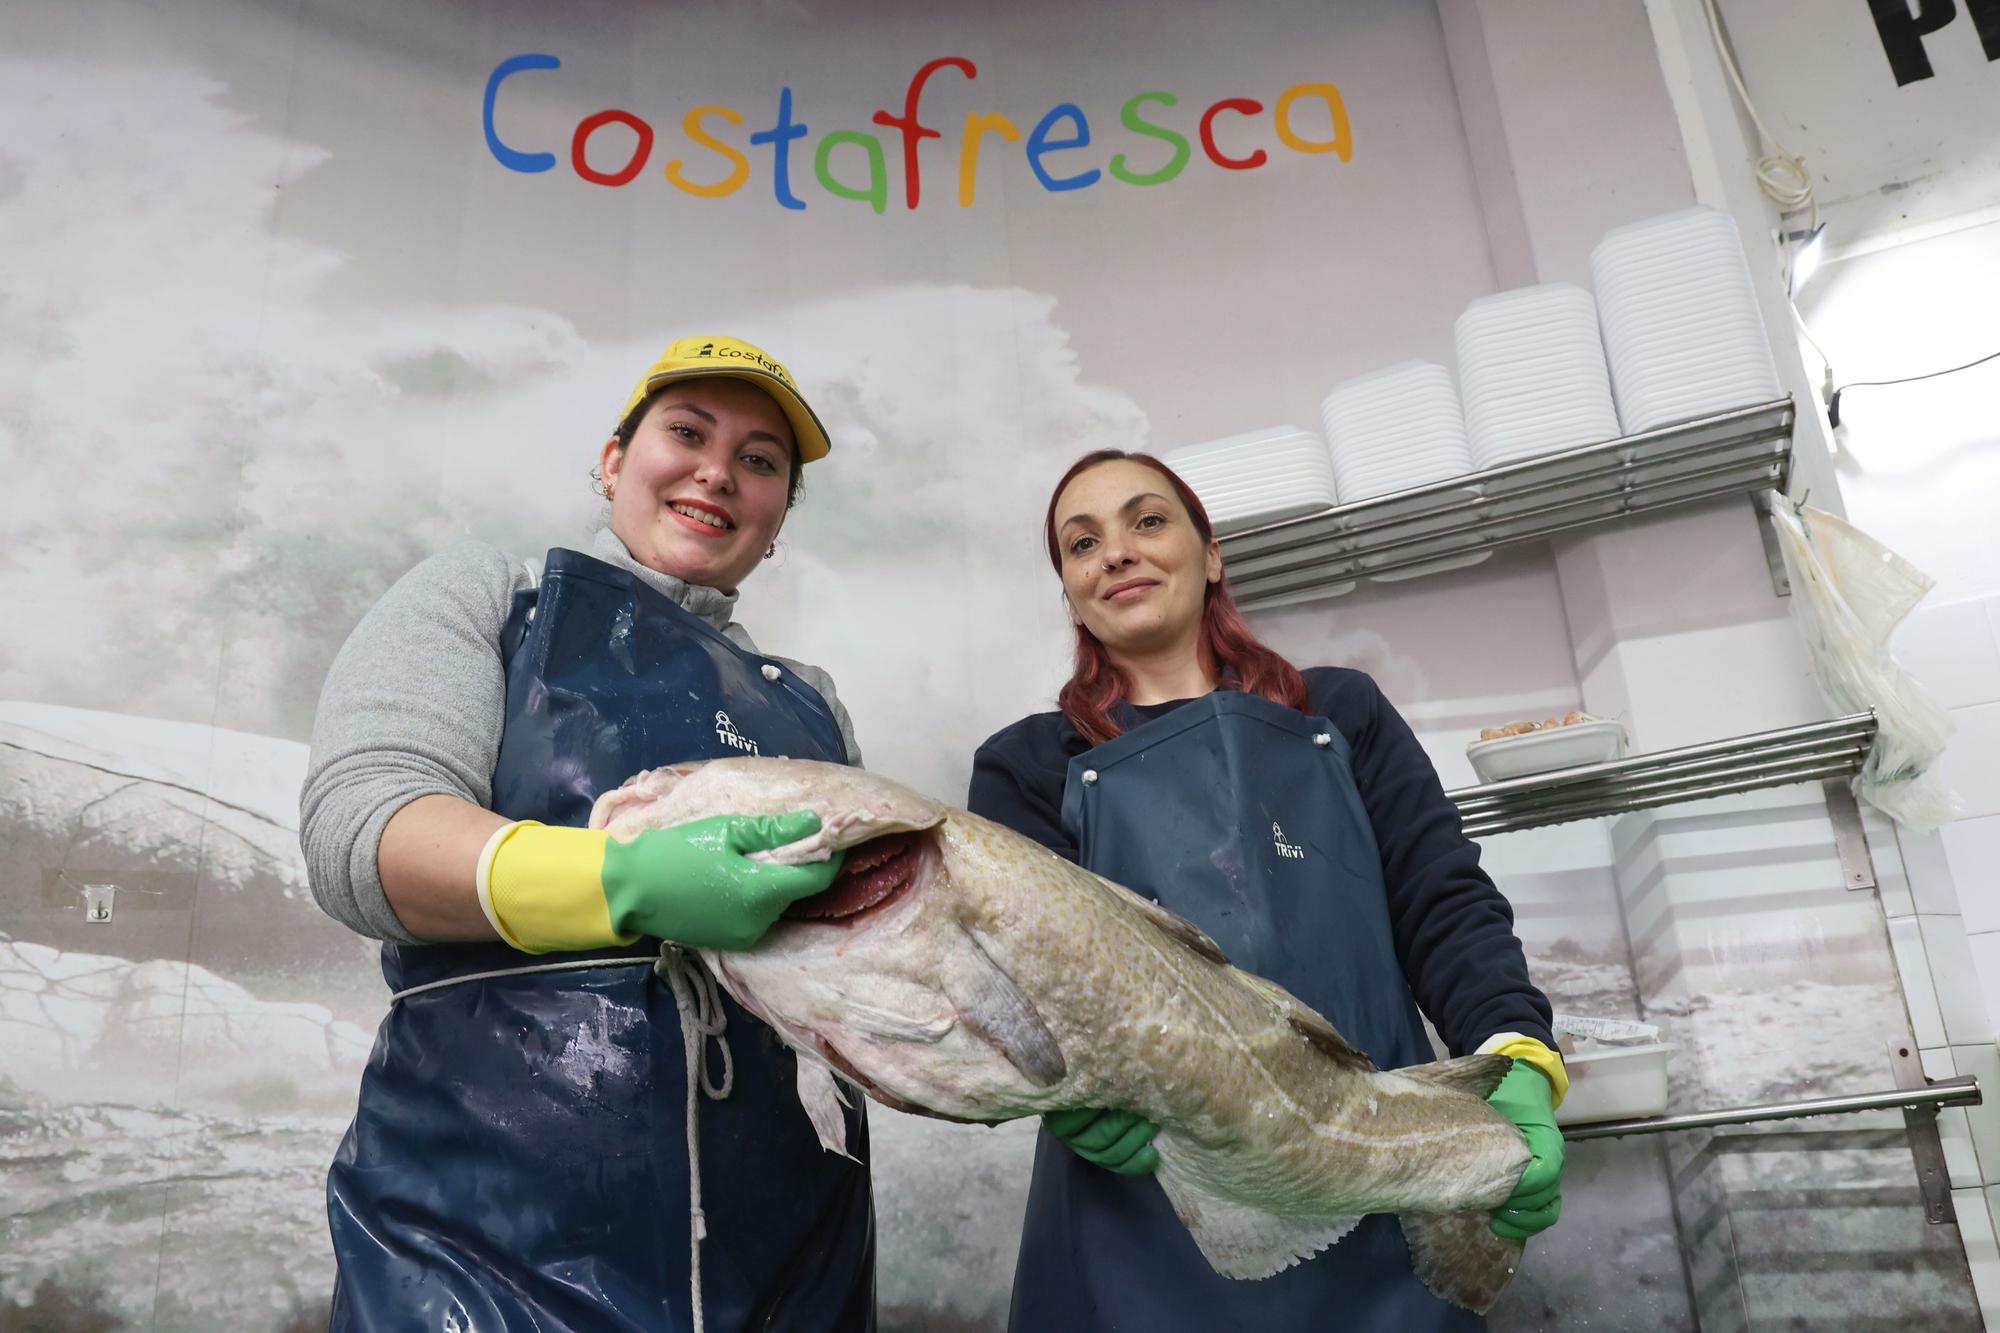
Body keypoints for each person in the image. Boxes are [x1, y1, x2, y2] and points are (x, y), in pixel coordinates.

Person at [300, 336, 875, 1331]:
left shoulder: (812, 708)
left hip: (793, 1263)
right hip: (478, 1256)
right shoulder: (490, 599)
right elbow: (363, 830)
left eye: (759, 459)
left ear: (777, 519)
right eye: (686, 433)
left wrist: (1035, 1069)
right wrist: (623, 883)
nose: (717, 471)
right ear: (613, 462)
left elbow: (867, 959)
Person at [968, 450, 1566, 1331]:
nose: (1117, 553)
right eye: (1082, 543)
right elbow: (1010, 977)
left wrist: (1512, 1050)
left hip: (1373, 1181)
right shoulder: (1025, 765)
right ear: (1071, 590)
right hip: (1143, 1217)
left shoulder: (1342, 714)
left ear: (1211, 554)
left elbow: (1442, 898)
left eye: (1147, 521)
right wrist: (1064, 1093)